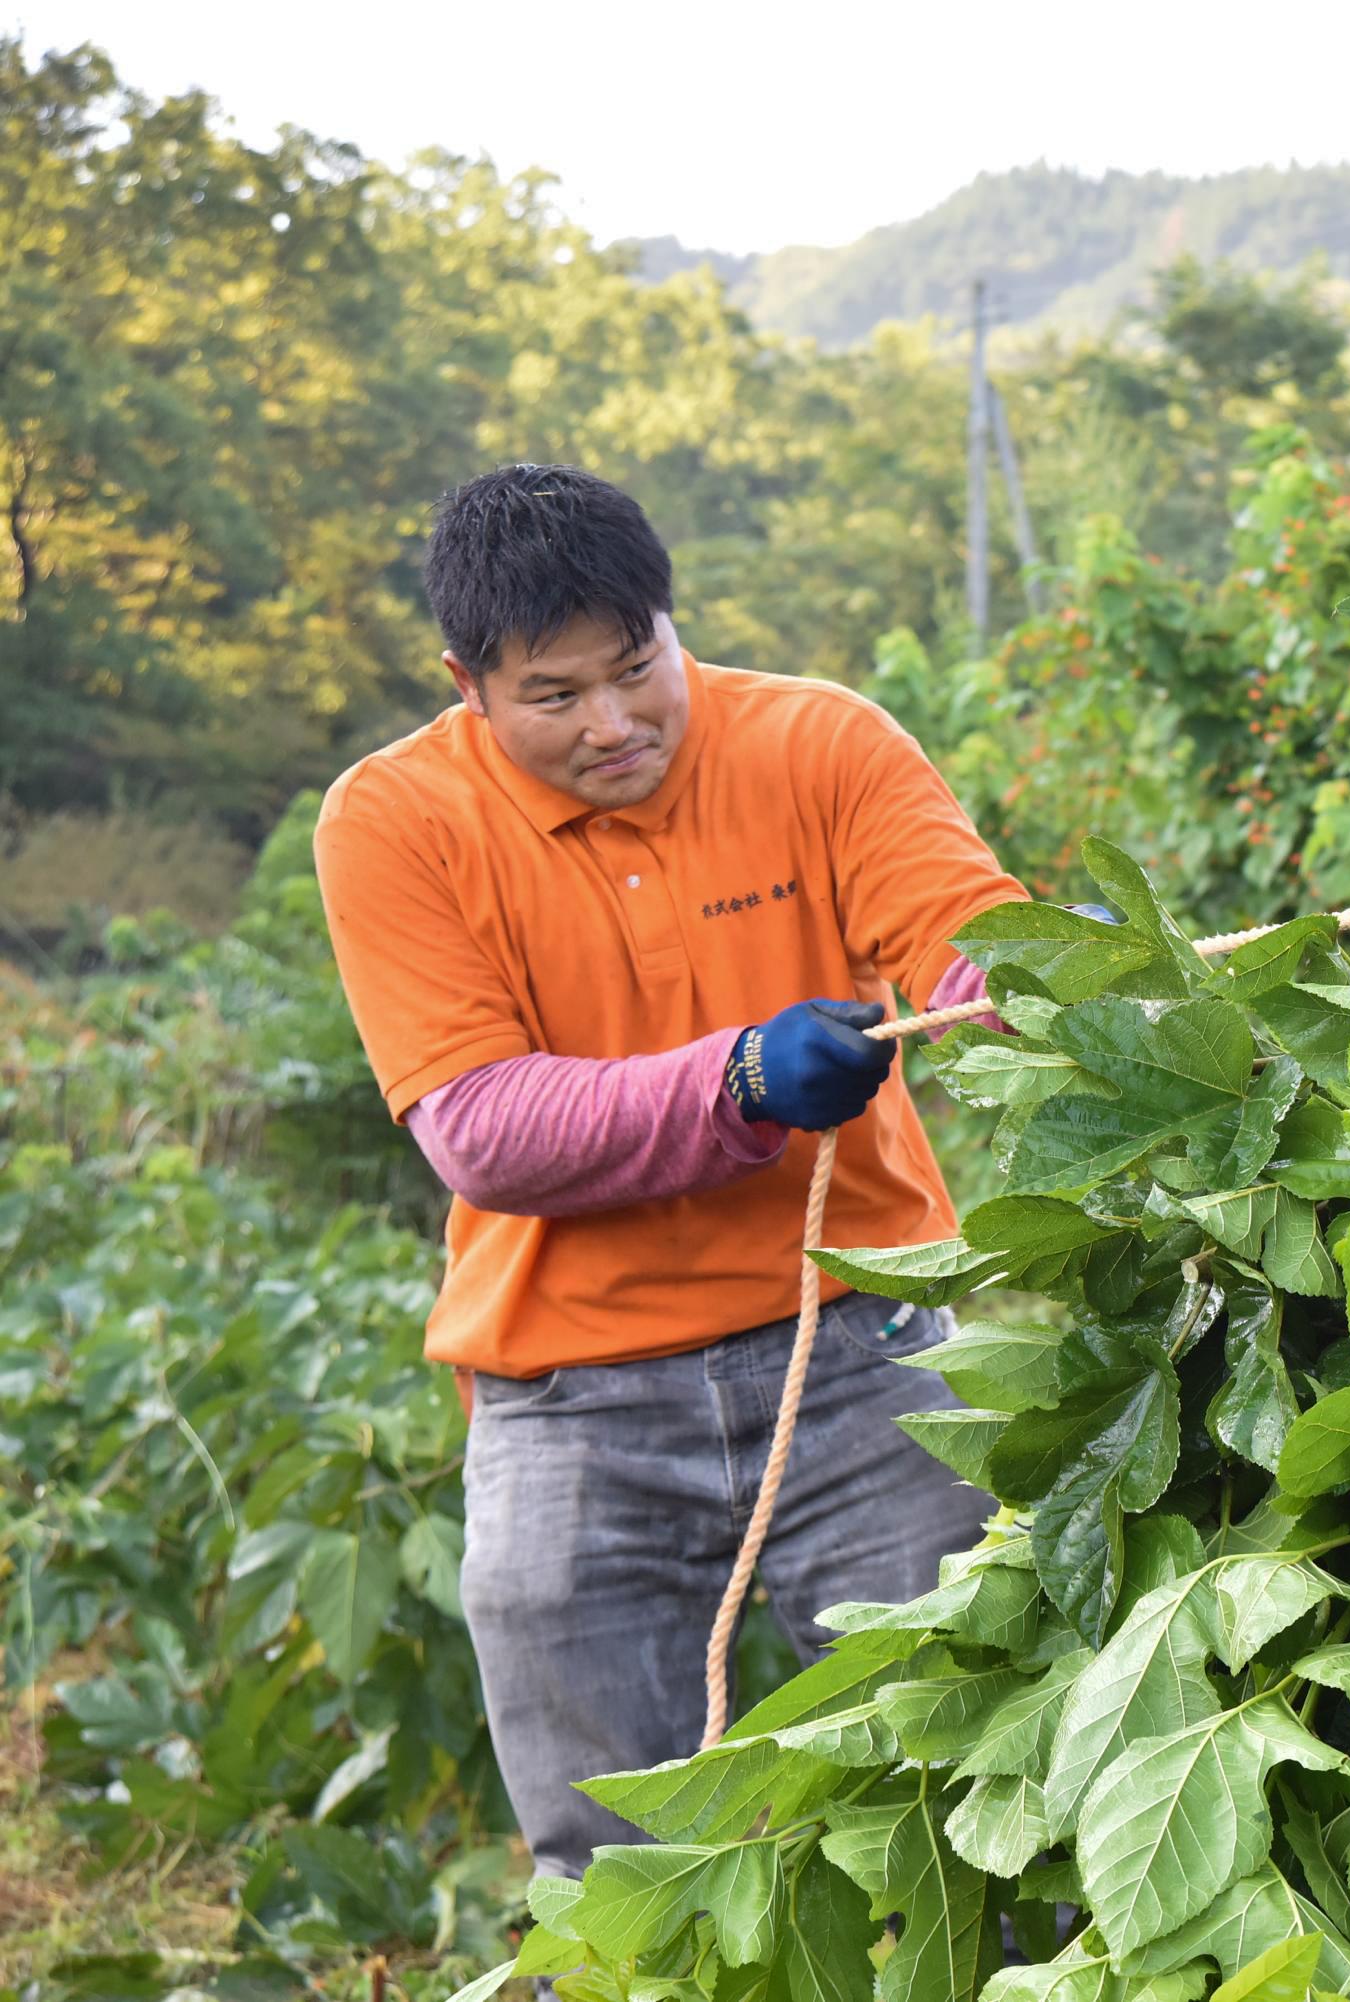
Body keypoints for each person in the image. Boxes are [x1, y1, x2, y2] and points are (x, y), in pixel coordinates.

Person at [312, 463, 1025, 1889]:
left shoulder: (819, 743)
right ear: (469, 683)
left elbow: (975, 936)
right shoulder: (390, 822)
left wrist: (1012, 987)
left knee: (972, 1785)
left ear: (670, 622)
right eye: (554, 695)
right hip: (567, 1394)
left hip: (860, 1347)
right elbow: (484, 1128)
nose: (615, 721)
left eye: (638, 668)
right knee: (611, 1867)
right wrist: (737, 1080)